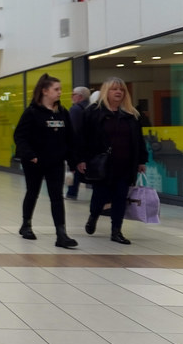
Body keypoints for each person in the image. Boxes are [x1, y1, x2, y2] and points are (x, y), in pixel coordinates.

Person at [78, 77, 148, 245]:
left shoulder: (131, 115)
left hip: (125, 164)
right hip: (102, 165)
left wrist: (141, 160)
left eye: (122, 90)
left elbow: (138, 140)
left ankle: (116, 230)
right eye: (114, 89)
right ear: (105, 92)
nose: (118, 92)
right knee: (99, 197)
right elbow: (82, 138)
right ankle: (93, 215)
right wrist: (81, 159)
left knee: (120, 197)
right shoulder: (93, 112)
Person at [12, 73, 78, 248]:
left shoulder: (62, 113)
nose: (59, 92)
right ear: (45, 91)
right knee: (32, 191)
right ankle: (26, 224)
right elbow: (20, 136)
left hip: (55, 162)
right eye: (56, 89)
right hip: (34, 161)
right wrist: (30, 155)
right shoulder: (32, 112)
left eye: (60, 89)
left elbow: (70, 138)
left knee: (57, 196)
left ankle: (61, 234)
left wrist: (73, 160)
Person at [65, 86, 91, 199]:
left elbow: (73, 130)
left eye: (73, 94)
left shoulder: (75, 109)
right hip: (89, 146)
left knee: (74, 168)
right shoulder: (91, 107)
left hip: (78, 145)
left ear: (79, 96)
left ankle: (71, 192)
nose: (72, 96)